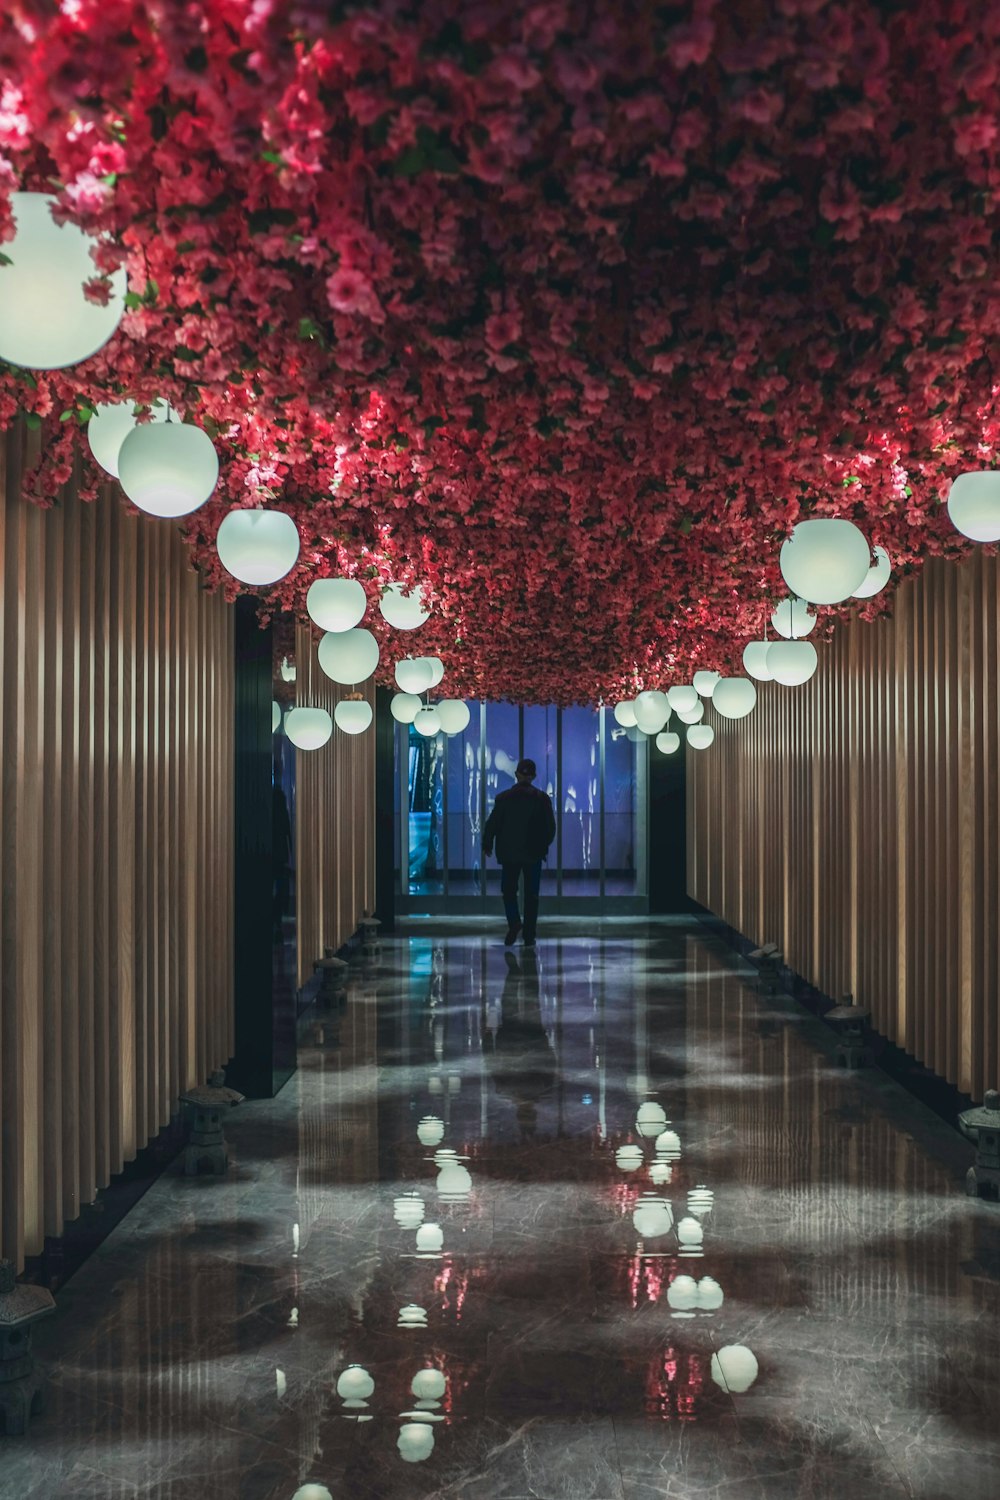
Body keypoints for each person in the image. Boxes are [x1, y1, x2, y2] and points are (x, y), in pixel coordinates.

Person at [482, 758, 556, 946]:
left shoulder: (503, 798)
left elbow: (492, 824)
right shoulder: (541, 799)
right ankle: (529, 935)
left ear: (516, 775)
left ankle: (514, 922)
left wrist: (487, 843)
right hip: (533, 854)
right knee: (532, 895)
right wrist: (543, 846)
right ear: (533, 777)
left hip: (509, 854)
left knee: (508, 891)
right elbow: (550, 828)